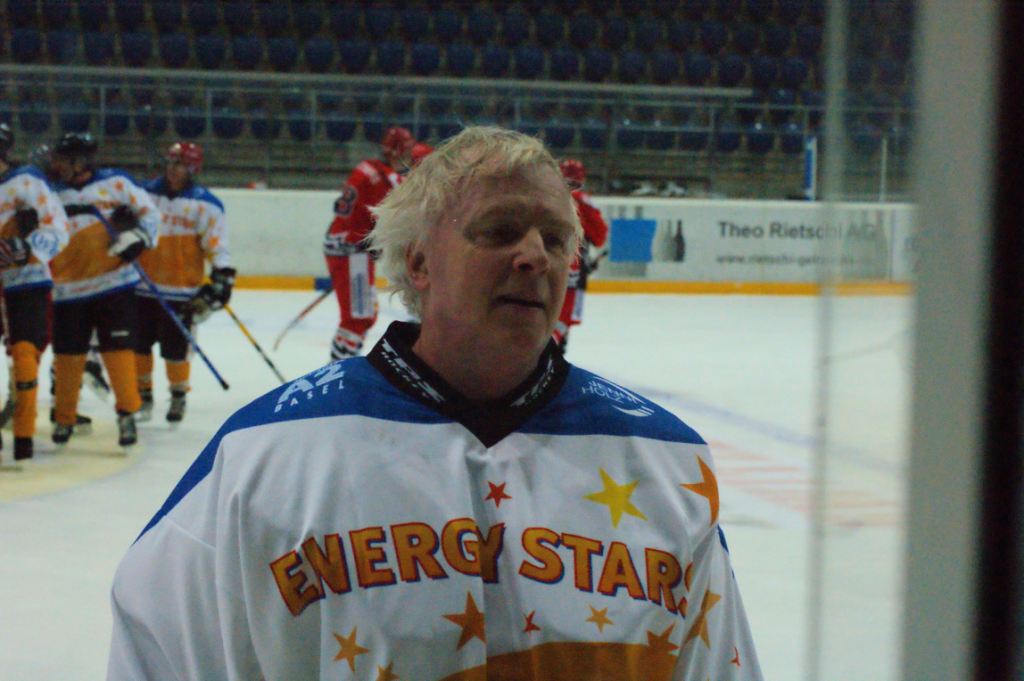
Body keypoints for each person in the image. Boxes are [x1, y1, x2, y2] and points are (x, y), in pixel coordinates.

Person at [107, 127, 762, 680]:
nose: (535, 255)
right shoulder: (259, 456)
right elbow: (160, 653)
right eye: (500, 231)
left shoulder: (668, 461)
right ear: (418, 263)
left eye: (556, 239)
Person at [47, 132, 160, 449]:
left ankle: (127, 414)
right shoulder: (51, 191)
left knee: (118, 352)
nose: (56, 164)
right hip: (67, 290)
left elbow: (150, 214)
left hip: (114, 284)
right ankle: (64, 417)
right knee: (67, 357)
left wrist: (137, 238)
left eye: (63, 159)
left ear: (80, 162)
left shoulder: (116, 183)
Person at [136, 141, 232, 424]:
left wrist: (222, 276)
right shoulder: (144, 195)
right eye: (170, 162)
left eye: (180, 164)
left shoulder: (207, 204)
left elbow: (217, 246)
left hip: (182, 291)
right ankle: (143, 394)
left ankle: (178, 395)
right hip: (142, 288)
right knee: (138, 347)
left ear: (193, 168)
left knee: (176, 351)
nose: (173, 169)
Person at [0, 124, 71, 460]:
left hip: (27, 281)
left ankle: (23, 436)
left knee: (25, 354)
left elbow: (58, 227)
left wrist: (26, 247)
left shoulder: (26, 182)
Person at [322, 125, 414, 360]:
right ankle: (339, 371)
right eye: (407, 151)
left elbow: (348, 210)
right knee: (358, 319)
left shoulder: (366, 167)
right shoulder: (387, 178)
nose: (409, 156)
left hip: (345, 246)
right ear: (398, 151)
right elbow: (388, 219)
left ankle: (342, 366)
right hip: (353, 252)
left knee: (365, 315)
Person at [552, 158, 608, 352]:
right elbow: (600, 235)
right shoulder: (582, 200)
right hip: (574, 265)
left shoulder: (546, 195)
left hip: (548, 261)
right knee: (566, 315)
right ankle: (555, 348)